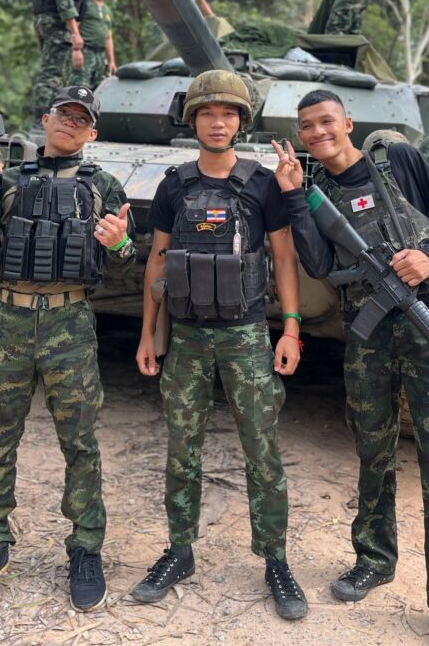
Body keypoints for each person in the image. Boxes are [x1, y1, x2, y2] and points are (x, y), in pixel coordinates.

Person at [273, 91, 429, 646]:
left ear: (347, 122)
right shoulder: (317, 192)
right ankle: (374, 559)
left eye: (326, 121)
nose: (318, 132)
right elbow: (319, 262)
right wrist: (293, 195)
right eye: (307, 126)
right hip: (370, 335)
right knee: (373, 451)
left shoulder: (396, 160)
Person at [0, 86, 136, 611]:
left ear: (92, 132)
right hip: (9, 321)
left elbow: (126, 266)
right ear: (46, 120)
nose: (70, 123)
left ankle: (86, 547)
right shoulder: (4, 180)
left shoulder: (105, 186)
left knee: (80, 442)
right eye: (63, 114)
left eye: (81, 119)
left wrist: (120, 243)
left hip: (70, 325)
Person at [133, 70, 308, 621]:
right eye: (208, 113)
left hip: (246, 335)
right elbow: (157, 261)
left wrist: (291, 328)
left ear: (240, 122)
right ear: (193, 121)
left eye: (228, 113)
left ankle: (275, 559)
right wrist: (148, 333)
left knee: (262, 448)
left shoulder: (262, 184)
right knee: (181, 448)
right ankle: (179, 551)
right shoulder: (174, 186)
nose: (218, 122)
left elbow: (283, 258)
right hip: (186, 337)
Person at [32, 0, 87, 126]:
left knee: (52, 72)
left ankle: (47, 121)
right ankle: (41, 123)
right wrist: (75, 32)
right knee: (52, 75)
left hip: (44, 22)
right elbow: (64, 0)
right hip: (56, 24)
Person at [71, 0, 116, 90]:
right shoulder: (83, 3)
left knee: (98, 91)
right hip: (85, 52)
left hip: (101, 56)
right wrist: (76, 50)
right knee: (80, 90)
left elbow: (109, 38)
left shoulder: (107, 10)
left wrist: (111, 61)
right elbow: (73, 28)